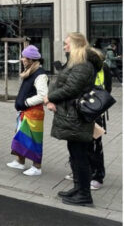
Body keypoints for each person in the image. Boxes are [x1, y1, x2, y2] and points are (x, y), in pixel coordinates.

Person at [44, 32, 103, 207]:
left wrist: (50, 98)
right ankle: (78, 188)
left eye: (66, 44)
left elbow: (71, 88)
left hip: (77, 116)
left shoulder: (83, 65)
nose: (64, 47)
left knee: (80, 156)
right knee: (75, 154)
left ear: (76, 45)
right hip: (71, 115)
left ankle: (84, 194)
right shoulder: (77, 63)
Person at [65, 49, 112, 191]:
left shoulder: (103, 67)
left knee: (95, 145)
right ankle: (81, 172)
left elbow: (107, 90)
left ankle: (97, 176)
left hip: (95, 111)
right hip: (82, 110)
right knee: (81, 143)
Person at [7, 45, 48, 176]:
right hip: (25, 112)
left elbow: (42, 95)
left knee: (34, 139)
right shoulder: (30, 71)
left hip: (33, 112)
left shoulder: (40, 75)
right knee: (20, 137)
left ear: (31, 59)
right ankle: (20, 161)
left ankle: (37, 167)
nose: (22, 59)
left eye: (24, 57)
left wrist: (25, 102)